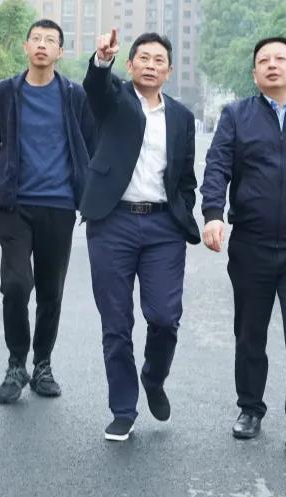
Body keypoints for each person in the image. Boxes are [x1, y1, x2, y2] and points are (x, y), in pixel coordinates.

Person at [200, 36, 286, 451]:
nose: (272, 65)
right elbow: (217, 167)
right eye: (264, 60)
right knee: (250, 331)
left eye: (281, 59)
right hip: (252, 243)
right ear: (255, 73)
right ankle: (250, 408)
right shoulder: (236, 116)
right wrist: (213, 213)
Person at [81, 29, 200, 442]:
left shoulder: (181, 117)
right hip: (112, 222)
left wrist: (184, 209)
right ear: (130, 65)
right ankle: (123, 409)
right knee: (116, 323)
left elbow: (185, 176)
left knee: (165, 318)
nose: (151, 65)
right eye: (143, 58)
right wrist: (102, 60)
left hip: (164, 226)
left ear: (169, 70)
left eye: (158, 60)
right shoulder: (114, 99)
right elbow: (95, 88)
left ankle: (153, 376)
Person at [0, 19, 94, 405]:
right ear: (26, 47)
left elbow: (89, 145)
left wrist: (85, 192)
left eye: (50, 41)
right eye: (36, 39)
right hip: (15, 206)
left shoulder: (74, 95)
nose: (42, 45)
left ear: (60, 52)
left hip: (59, 206)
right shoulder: (5, 92)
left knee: (50, 291)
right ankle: (16, 364)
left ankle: (42, 364)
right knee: (15, 285)